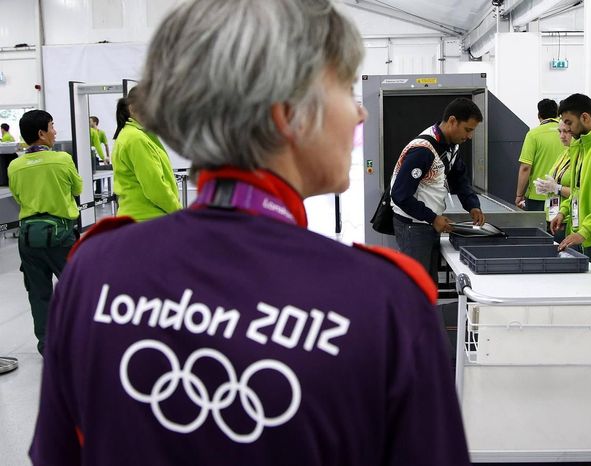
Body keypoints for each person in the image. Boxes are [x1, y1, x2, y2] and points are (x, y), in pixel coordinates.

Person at [29, 1, 471, 465]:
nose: (359, 115)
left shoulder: (94, 270)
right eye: (345, 90)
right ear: (288, 114)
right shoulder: (384, 301)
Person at [7, 110, 82, 355]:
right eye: (52, 126)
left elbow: (17, 197)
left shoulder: (15, 165)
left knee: (38, 294)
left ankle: (47, 345)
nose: (55, 130)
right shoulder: (62, 159)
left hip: (28, 238)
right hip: (61, 235)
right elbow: (77, 187)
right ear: (41, 133)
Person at [390, 97, 484, 284]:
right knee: (416, 286)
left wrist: (472, 206)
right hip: (413, 226)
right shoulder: (423, 150)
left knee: (428, 283)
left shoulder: (451, 146)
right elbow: (400, 195)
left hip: (427, 223)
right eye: (468, 129)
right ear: (452, 121)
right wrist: (433, 218)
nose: (470, 136)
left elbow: (459, 178)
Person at [548, 93, 591, 266]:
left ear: (585, 117)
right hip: (580, 234)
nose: (567, 130)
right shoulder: (580, 146)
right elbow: (578, 189)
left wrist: (585, 231)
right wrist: (563, 211)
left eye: (569, 123)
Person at [111, 87, 182, 221]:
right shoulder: (135, 139)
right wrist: (178, 211)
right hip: (147, 219)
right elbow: (155, 187)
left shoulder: (135, 135)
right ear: (132, 109)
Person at [515, 99, 565, 211]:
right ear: (557, 113)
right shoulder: (566, 133)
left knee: (538, 228)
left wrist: (519, 195)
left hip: (537, 196)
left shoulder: (533, 134)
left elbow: (525, 167)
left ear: (539, 115)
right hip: (562, 194)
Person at [534, 120, 573, 243]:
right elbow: (557, 179)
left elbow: (581, 192)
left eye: (566, 132)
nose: (562, 136)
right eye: (560, 131)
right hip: (553, 214)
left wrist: (557, 188)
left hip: (568, 219)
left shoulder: (581, 156)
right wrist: (545, 187)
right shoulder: (564, 154)